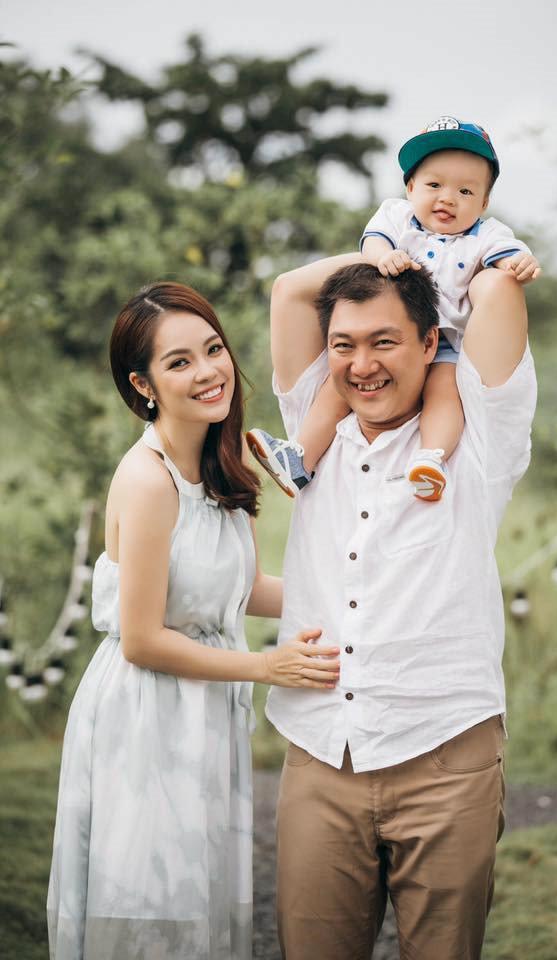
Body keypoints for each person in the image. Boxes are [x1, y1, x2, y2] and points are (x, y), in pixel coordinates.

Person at [46, 282, 340, 960]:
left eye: (213, 349)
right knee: (155, 910)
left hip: (204, 710)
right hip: (146, 717)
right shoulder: (148, 480)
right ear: (142, 384)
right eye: (179, 362)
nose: (208, 372)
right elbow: (143, 640)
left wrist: (352, 597)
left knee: (199, 900)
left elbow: (242, 589)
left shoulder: (218, 463)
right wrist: (266, 666)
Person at [264, 255, 537, 959]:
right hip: (322, 751)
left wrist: (445, 253)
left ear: (429, 341)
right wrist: (383, 250)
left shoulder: (476, 442)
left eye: (384, 341)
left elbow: (498, 291)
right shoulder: (311, 434)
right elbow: (289, 290)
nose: (362, 366)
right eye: (344, 345)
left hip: (444, 752)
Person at [246, 116, 540, 502]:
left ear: (484, 203)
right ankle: (300, 457)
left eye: (466, 191)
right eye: (434, 185)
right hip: (401, 312)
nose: (448, 198)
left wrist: (516, 265)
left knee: (444, 393)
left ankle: (431, 458)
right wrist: (382, 260)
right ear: (410, 187)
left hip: (449, 342)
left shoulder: (485, 235)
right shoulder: (398, 218)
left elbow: (507, 264)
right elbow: (371, 245)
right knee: (337, 388)